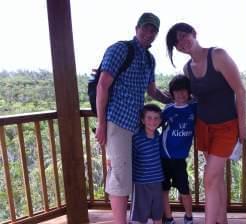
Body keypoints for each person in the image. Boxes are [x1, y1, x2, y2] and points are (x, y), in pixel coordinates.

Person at [166, 23, 246, 224]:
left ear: (194, 33)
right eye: (177, 42)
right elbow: (187, 98)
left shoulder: (218, 55)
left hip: (227, 127)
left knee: (209, 178)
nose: (182, 42)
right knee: (216, 178)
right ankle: (222, 221)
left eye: (184, 36)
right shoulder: (187, 69)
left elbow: (240, 90)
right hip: (203, 126)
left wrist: (242, 127)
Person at [95, 12, 170, 224]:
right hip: (117, 121)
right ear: (136, 28)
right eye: (146, 27)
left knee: (132, 173)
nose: (149, 32)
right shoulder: (120, 49)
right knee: (119, 175)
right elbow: (102, 85)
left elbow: (153, 91)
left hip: (137, 124)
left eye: (154, 30)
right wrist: (101, 124)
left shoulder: (149, 59)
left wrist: (176, 100)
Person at [161, 75, 196, 224]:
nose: (180, 94)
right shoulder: (168, 110)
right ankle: (168, 218)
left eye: (184, 91)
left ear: (189, 92)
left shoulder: (195, 108)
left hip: (180, 159)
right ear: (171, 93)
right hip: (163, 156)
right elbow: (154, 124)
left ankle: (189, 217)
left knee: (184, 190)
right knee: (164, 190)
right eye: (176, 91)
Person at [130, 104, 164, 224]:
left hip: (157, 181)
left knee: (158, 212)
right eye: (149, 118)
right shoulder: (136, 138)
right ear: (143, 120)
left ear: (160, 120)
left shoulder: (158, 136)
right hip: (141, 183)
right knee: (139, 215)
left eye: (156, 118)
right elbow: (131, 159)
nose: (152, 121)